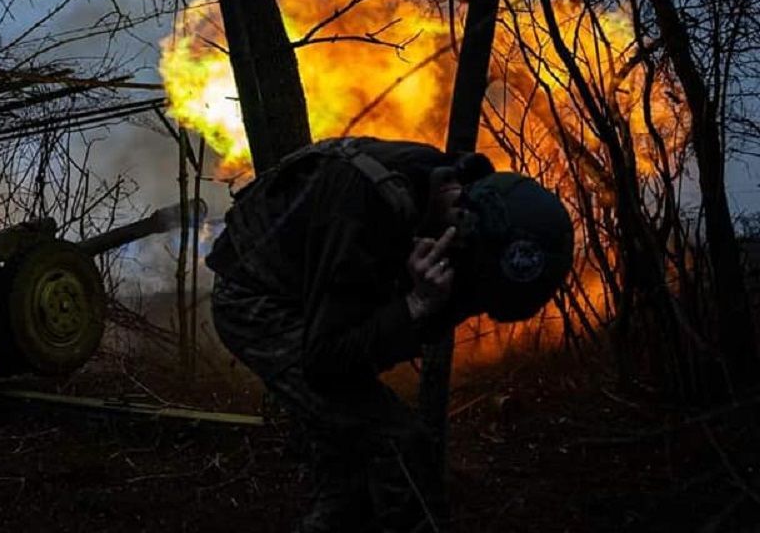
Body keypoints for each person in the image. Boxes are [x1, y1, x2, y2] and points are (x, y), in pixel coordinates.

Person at [207, 137, 573, 532]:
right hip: (257, 298)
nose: (471, 304)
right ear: (459, 233)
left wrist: (416, 311)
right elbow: (325, 360)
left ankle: (339, 512)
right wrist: (412, 307)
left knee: (350, 466)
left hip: (323, 303)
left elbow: (385, 333)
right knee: (394, 440)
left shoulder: (464, 204)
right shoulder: (367, 205)